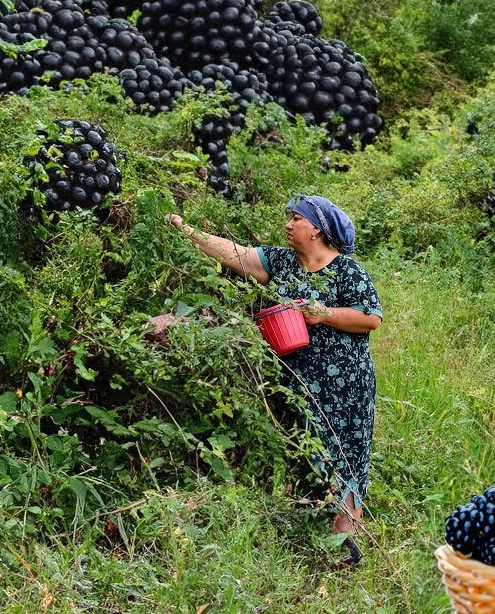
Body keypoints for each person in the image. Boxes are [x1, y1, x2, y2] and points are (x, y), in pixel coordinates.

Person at [164, 194, 383, 567]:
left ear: (316, 229)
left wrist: (324, 314)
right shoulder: (280, 262)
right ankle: (315, 528)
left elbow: (371, 318)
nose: (288, 224)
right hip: (298, 381)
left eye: (295, 218)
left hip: (347, 384)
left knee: (347, 457)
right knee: (308, 451)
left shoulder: (348, 271)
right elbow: (233, 253)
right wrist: (184, 229)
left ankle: (346, 541)